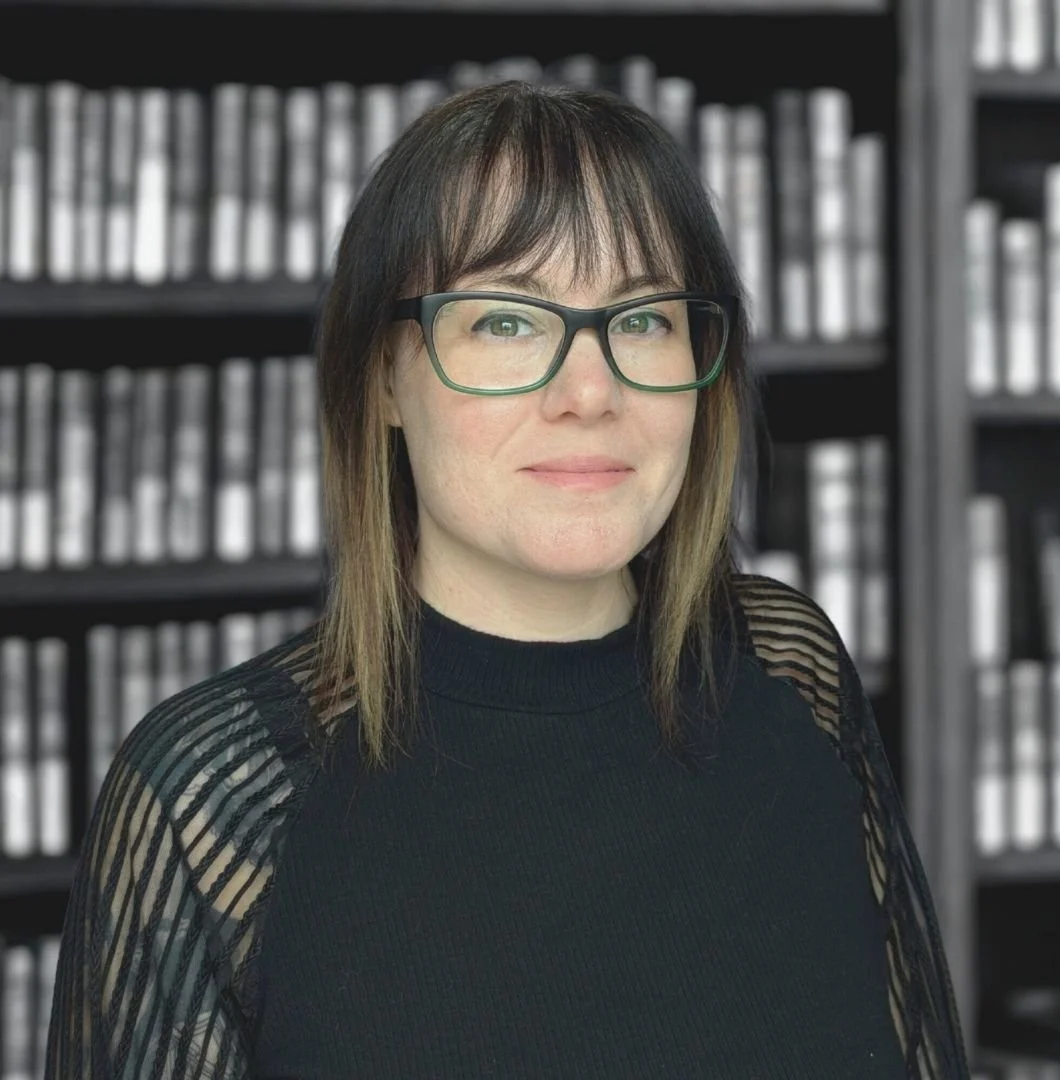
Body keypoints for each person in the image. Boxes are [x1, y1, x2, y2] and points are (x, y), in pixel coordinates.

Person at [44, 79, 971, 1078]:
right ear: (385, 376)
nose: (590, 392)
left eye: (643, 319)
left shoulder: (791, 673)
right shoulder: (217, 796)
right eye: (506, 322)